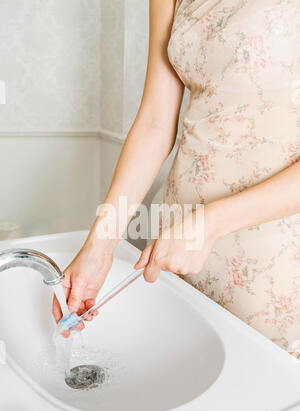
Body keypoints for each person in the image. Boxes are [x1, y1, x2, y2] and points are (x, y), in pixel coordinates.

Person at [53, 0, 300, 353]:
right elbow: (155, 122)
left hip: (271, 264)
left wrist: (210, 224)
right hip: (176, 241)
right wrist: (99, 247)